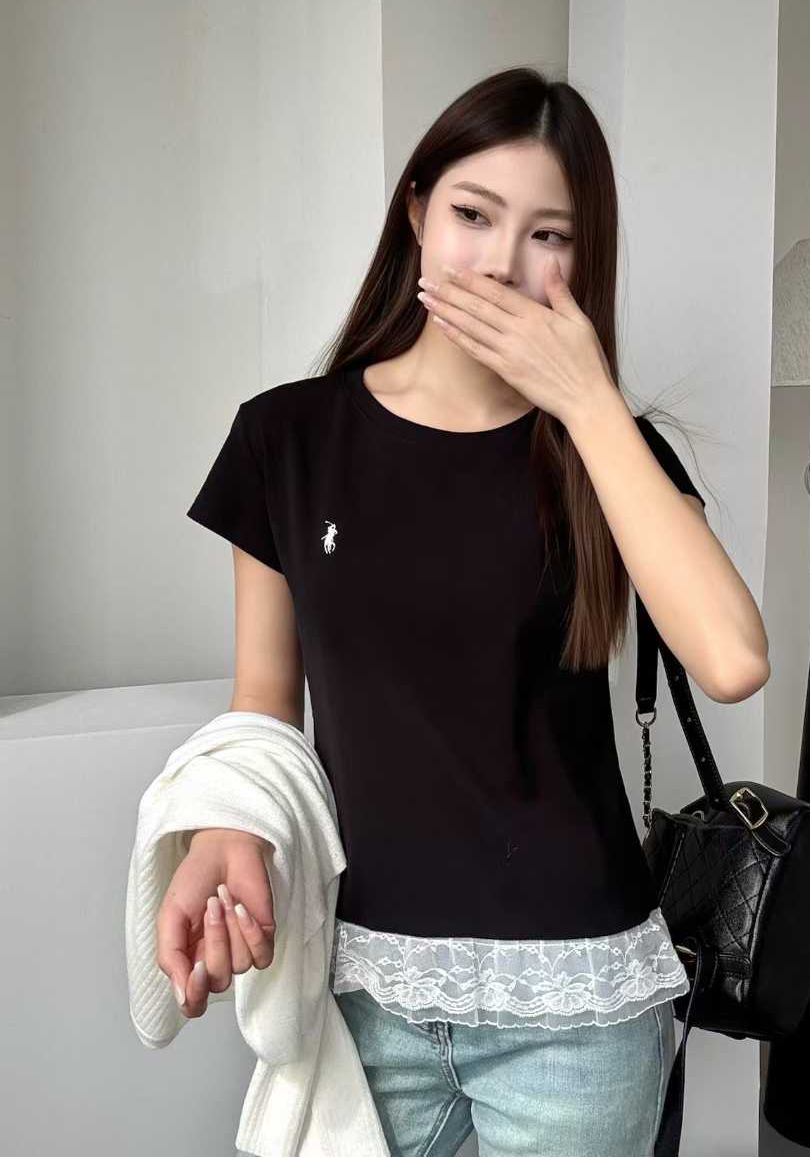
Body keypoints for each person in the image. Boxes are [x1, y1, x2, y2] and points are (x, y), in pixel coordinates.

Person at [157, 65, 770, 1156]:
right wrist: (224, 826)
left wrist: (586, 399)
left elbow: (731, 659)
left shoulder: (605, 450)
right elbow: (264, 704)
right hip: (362, 990)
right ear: (416, 214)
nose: (500, 262)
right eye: (474, 215)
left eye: (549, 235)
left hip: (578, 1007)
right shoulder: (286, 439)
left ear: (584, 257)